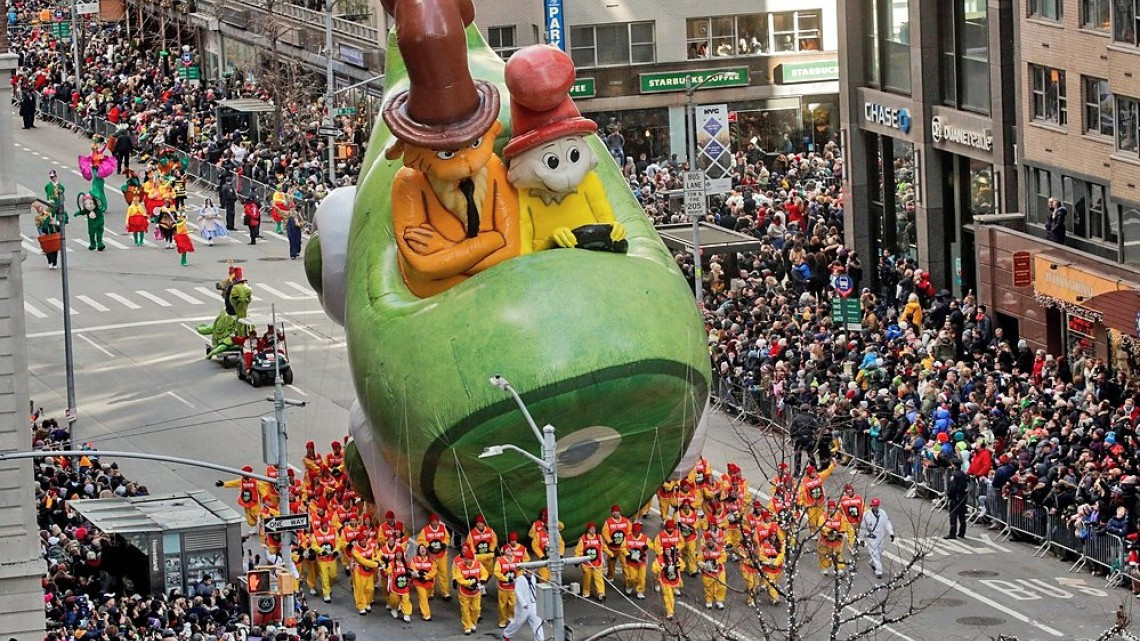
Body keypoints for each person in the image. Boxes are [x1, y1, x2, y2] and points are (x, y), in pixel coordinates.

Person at [453, 546, 488, 636]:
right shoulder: (459, 566)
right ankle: (467, 627)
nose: (465, 561)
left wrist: (483, 579)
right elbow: (459, 579)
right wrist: (469, 583)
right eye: (464, 559)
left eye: (467, 559)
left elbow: (484, 573)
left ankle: (473, 623)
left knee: (476, 609)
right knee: (465, 610)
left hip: (476, 591)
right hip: (464, 592)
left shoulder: (478, 565)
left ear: (472, 559)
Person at [417, 513, 452, 600]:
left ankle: (445, 592)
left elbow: (447, 538)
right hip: (430, 556)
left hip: (442, 555)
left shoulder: (442, 528)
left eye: (436, 521)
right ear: (430, 522)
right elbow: (420, 540)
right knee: (431, 574)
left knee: (443, 574)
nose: (435, 523)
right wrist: (427, 545)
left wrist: (444, 544)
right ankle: (430, 592)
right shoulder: (425, 530)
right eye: (433, 521)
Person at [502, 570, 545, 641]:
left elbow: (534, 590)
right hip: (523, 607)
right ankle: (506, 634)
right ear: (527, 570)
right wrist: (523, 603)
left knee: (537, 621)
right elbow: (518, 592)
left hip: (532, 603)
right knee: (518, 622)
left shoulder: (533, 578)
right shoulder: (520, 579)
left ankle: (540, 639)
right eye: (532, 569)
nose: (534, 570)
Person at [858, 498, 895, 580]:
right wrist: (861, 539)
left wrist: (891, 533)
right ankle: (879, 571)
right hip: (871, 537)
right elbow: (863, 527)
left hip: (880, 536)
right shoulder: (866, 515)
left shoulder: (883, 513)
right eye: (874, 505)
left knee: (880, 550)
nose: (875, 507)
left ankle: (872, 562)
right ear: (871, 505)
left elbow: (887, 523)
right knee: (875, 553)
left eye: (876, 506)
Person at [347, 538, 380, 615]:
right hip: (359, 571)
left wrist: (377, 560)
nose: (364, 541)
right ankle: (361, 606)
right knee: (359, 589)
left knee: (370, 589)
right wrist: (375, 564)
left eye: (365, 540)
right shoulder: (355, 550)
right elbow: (362, 561)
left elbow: (373, 555)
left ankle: (367, 602)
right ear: (359, 541)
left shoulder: (369, 547)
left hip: (369, 571)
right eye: (362, 540)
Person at [652, 545, 685, 620]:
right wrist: (662, 569)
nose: (667, 551)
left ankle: (670, 610)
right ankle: (670, 612)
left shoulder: (675, 558)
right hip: (664, 581)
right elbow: (655, 568)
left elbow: (680, 567)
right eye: (666, 550)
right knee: (668, 596)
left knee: (672, 597)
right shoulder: (660, 559)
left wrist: (679, 575)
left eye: (669, 550)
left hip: (674, 580)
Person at [575, 521, 606, 601]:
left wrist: (610, 554)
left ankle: (601, 593)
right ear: (588, 530)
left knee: (599, 578)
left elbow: (603, 547)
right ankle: (586, 592)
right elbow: (578, 550)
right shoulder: (583, 538)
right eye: (591, 529)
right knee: (587, 579)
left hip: (597, 563)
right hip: (586, 564)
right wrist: (577, 559)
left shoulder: (599, 537)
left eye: (594, 529)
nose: (593, 530)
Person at [601, 504, 631, 581]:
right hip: (612, 548)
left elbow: (629, 531)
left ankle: (627, 580)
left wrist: (626, 541)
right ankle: (611, 576)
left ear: (620, 512)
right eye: (613, 512)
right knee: (611, 563)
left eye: (617, 512)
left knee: (625, 564)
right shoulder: (608, 522)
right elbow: (605, 532)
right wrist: (609, 540)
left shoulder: (626, 521)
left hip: (622, 548)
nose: (615, 513)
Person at [621, 522, 650, 599]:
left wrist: (647, 547)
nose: (637, 533)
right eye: (635, 532)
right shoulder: (627, 538)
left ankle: (640, 591)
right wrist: (627, 554)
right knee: (632, 578)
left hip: (641, 561)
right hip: (631, 562)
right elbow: (623, 547)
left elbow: (651, 545)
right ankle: (629, 585)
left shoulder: (645, 538)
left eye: (638, 532)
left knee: (642, 578)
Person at [410, 544, 437, 621]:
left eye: (424, 548)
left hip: (429, 582)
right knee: (423, 597)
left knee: (426, 597)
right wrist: (419, 575)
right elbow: (412, 568)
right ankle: (426, 615)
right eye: (421, 548)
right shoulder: (414, 559)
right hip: (418, 582)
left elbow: (434, 571)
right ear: (418, 550)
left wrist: (426, 577)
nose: (422, 550)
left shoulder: (431, 560)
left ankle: (422, 608)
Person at [699, 535, 727, 610]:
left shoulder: (719, 548)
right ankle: (709, 601)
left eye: (711, 540)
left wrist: (717, 561)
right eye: (708, 540)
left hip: (719, 570)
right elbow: (698, 560)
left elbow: (724, 557)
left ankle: (719, 601)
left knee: (722, 586)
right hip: (708, 572)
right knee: (709, 587)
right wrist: (704, 565)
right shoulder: (703, 549)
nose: (709, 542)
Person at [32, 201, 61, 269]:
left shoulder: (54, 226)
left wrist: (56, 223)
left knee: (55, 252)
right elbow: (43, 229)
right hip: (47, 239)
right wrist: (46, 222)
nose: (52, 220)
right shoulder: (45, 225)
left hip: (53, 240)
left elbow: (59, 229)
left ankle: (54, 263)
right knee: (48, 251)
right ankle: (50, 262)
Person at [946, 467, 968, 539]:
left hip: (955, 498)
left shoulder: (955, 475)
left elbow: (952, 488)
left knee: (953, 516)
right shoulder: (963, 474)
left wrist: (949, 494)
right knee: (962, 515)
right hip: (963, 497)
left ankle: (952, 533)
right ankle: (962, 532)